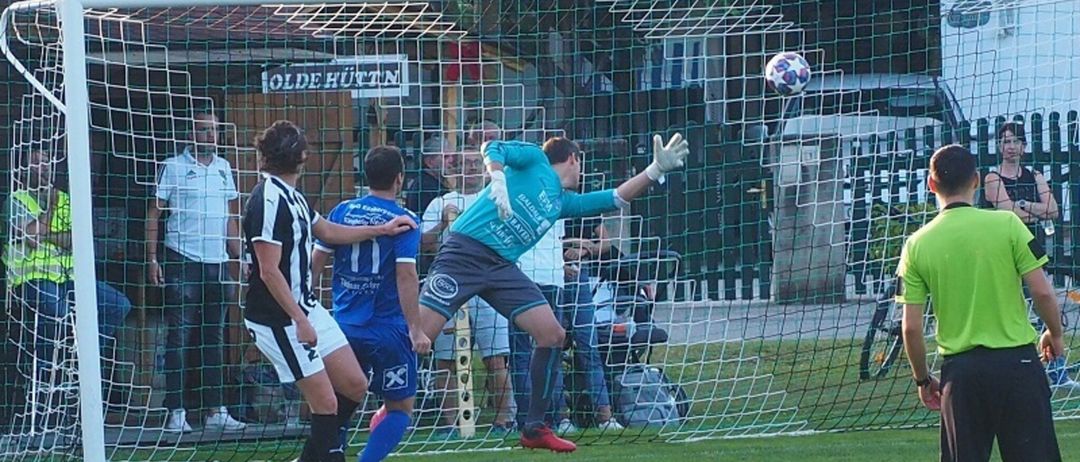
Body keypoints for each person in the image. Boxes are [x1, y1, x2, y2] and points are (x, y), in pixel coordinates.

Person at [416, 134, 689, 452]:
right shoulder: (534, 159)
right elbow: (493, 147)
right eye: (581, 164)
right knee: (419, 338)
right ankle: (388, 406)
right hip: (464, 253)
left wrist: (655, 170)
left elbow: (615, 198)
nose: (581, 173)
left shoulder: (562, 201)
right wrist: (498, 176)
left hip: (501, 265)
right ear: (573, 158)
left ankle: (535, 428)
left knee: (552, 334)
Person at [241, 120, 415, 462]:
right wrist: (298, 320)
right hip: (279, 318)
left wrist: (381, 228)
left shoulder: (294, 197)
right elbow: (268, 271)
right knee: (325, 403)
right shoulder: (267, 200)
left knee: (354, 384)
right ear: (302, 156)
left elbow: (329, 232)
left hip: (306, 308)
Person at [897, 144, 1063, 462]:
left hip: (962, 374)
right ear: (975, 181)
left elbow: (911, 328)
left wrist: (922, 379)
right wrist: (1054, 333)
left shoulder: (916, 244)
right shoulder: (1008, 224)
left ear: (931, 185)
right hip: (1019, 366)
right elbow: (1043, 293)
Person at [310, 145, 430, 462]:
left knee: (339, 400)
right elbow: (406, 274)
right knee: (400, 408)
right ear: (399, 179)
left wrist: (305, 302)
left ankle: (331, 455)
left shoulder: (342, 212)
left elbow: (318, 258)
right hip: (387, 330)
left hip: (343, 326)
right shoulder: (405, 220)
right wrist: (416, 330)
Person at [146, 108, 246, 432]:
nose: (210, 136)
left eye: (214, 130)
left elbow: (229, 218)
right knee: (180, 337)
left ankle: (215, 409)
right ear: (191, 134)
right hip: (181, 259)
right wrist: (152, 257)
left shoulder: (224, 168)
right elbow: (154, 214)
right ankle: (175, 411)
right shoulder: (173, 167)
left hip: (216, 262)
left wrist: (240, 255)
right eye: (203, 130)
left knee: (214, 338)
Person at [4, 149, 132, 369]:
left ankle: (83, 362)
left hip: (67, 278)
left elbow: (75, 240)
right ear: (23, 171)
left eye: (46, 162)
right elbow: (33, 237)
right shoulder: (16, 200)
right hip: (31, 281)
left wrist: (48, 235)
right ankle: (46, 375)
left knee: (118, 305)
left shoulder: (65, 199)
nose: (44, 167)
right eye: (36, 163)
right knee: (58, 314)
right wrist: (51, 211)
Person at [422, 148, 513, 437]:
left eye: (477, 164)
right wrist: (444, 223)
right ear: (454, 169)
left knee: (496, 356)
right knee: (446, 358)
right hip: (451, 284)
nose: (473, 169)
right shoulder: (440, 202)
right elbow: (424, 244)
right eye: (467, 164)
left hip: (489, 283)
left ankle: (503, 421)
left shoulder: (495, 197)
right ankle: (451, 424)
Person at [982, 121, 1077, 390]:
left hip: (1031, 250)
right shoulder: (992, 178)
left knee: (1049, 308)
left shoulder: (1034, 175)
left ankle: (1057, 371)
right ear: (999, 146)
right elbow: (1006, 212)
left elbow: (1054, 210)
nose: (1010, 147)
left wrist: (1023, 204)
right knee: (1008, 314)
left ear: (1023, 147)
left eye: (1015, 142)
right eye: (1005, 141)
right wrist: (1031, 208)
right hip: (1001, 251)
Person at [404, 134, 457, 215]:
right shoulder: (425, 188)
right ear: (429, 162)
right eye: (445, 157)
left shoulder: (434, 182)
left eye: (453, 157)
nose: (451, 161)